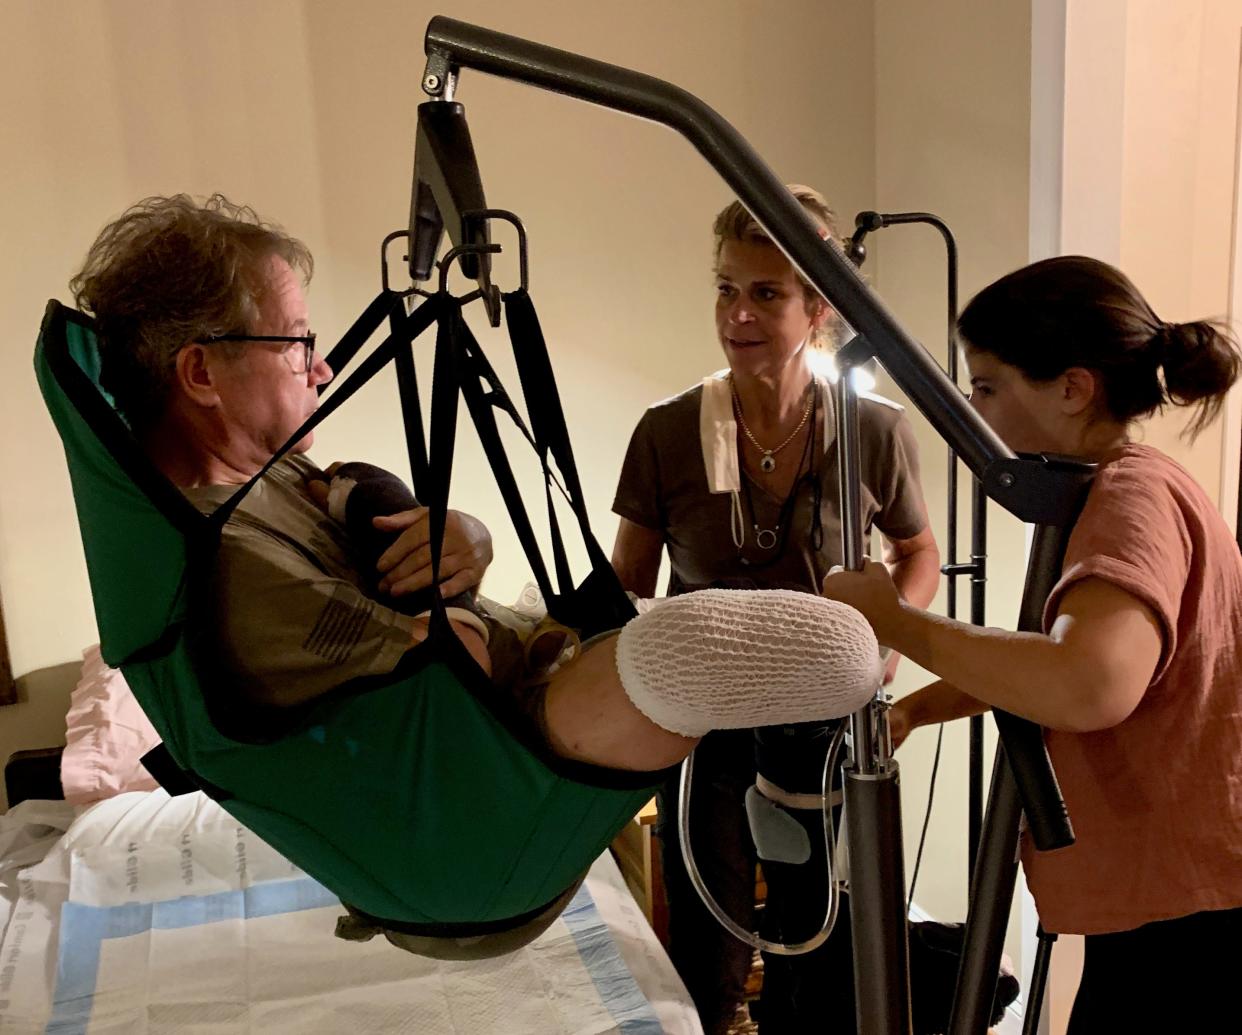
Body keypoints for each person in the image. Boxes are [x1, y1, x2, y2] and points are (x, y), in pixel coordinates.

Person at [66, 193, 886, 953]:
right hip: (488, 784)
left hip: (509, 714)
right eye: (297, 342)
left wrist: (471, 535)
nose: (319, 368)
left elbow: (372, 512)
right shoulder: (236, 567)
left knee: (794, 779)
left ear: (815, 309)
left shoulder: (267, 477)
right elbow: (455, 655)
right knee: (720, 654)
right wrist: (463, 604)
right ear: (201, 373)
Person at [822, 255, 1242, 1032]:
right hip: (1173, 893)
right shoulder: (1125, 487)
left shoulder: (1131, 496)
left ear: (1073, 388)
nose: (973, 410)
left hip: (1186, 912)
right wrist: (919, 709)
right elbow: (1041, 659)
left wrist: (897, 620)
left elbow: (1087, 682)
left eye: (986, 386)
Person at [611, 185, 940, 1034]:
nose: (738, 313)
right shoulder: (667, 433)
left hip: (827, 720)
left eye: (765, 292)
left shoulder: (871, 430)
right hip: (704, 727)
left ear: (819, 307)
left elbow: (920, 552)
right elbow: (629, 581)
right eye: (726, 288)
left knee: (825, 938)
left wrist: (892, 640)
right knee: (711, 940)